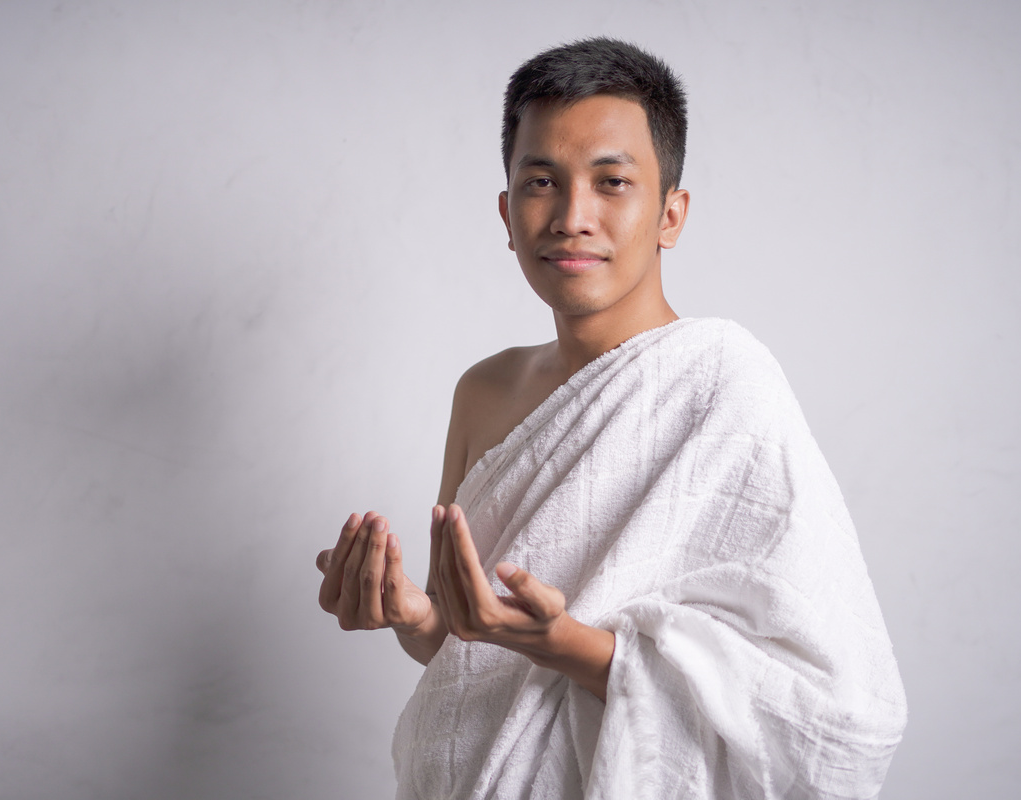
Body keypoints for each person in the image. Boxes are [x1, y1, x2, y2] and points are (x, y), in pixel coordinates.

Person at [316, 37, 907, 799]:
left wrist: (563, 643)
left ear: (671, 213)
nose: (572, 216)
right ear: (506, 211)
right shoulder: (484, 389)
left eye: (612, 182)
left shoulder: (725, 386)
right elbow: (462, 644)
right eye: (541, 182)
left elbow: (828, 707)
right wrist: (409, 612)